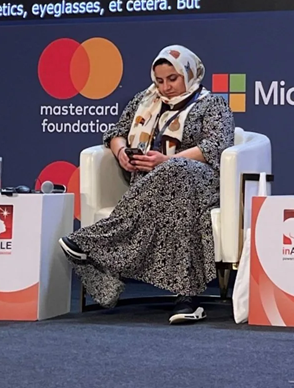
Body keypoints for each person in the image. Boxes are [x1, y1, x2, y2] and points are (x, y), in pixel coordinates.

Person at [59, 45, 234, 324]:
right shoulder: (145, 100)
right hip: (156, 187)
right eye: (160, 80)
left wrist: (166, 160)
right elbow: (115, 133)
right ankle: (186, 299)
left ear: (188, 73)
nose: (166, 87)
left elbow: (217, 144)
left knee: (178, 171)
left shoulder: (212, 103)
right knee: (179, 204)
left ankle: (91, 241)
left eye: (173, 79)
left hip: (202, 180)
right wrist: (121, 154)